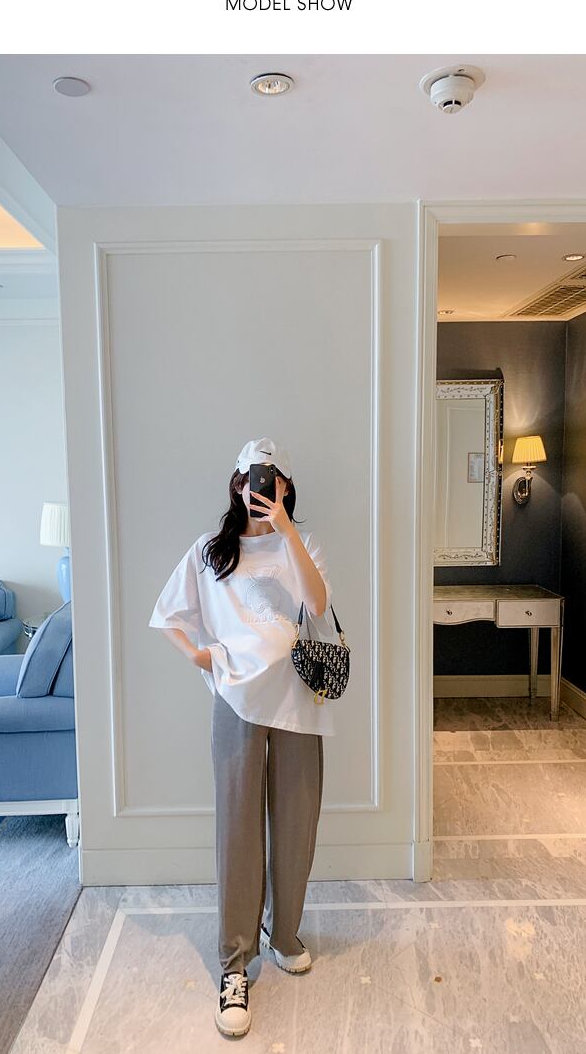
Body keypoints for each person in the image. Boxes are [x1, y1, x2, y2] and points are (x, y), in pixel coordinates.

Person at [148, 437, 335, 1038]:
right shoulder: (211, 551)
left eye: (270, 479)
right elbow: (167, 614)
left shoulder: (301, 544)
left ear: (285, 486)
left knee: (297, 821)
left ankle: (284, 934)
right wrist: (199, 656)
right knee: (238, 827)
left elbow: (317, 603)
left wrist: (285, 528)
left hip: (298, 700)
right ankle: (235, 965)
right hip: (236, 701)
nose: (258, 488)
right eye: (250, 479)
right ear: (236, 485)